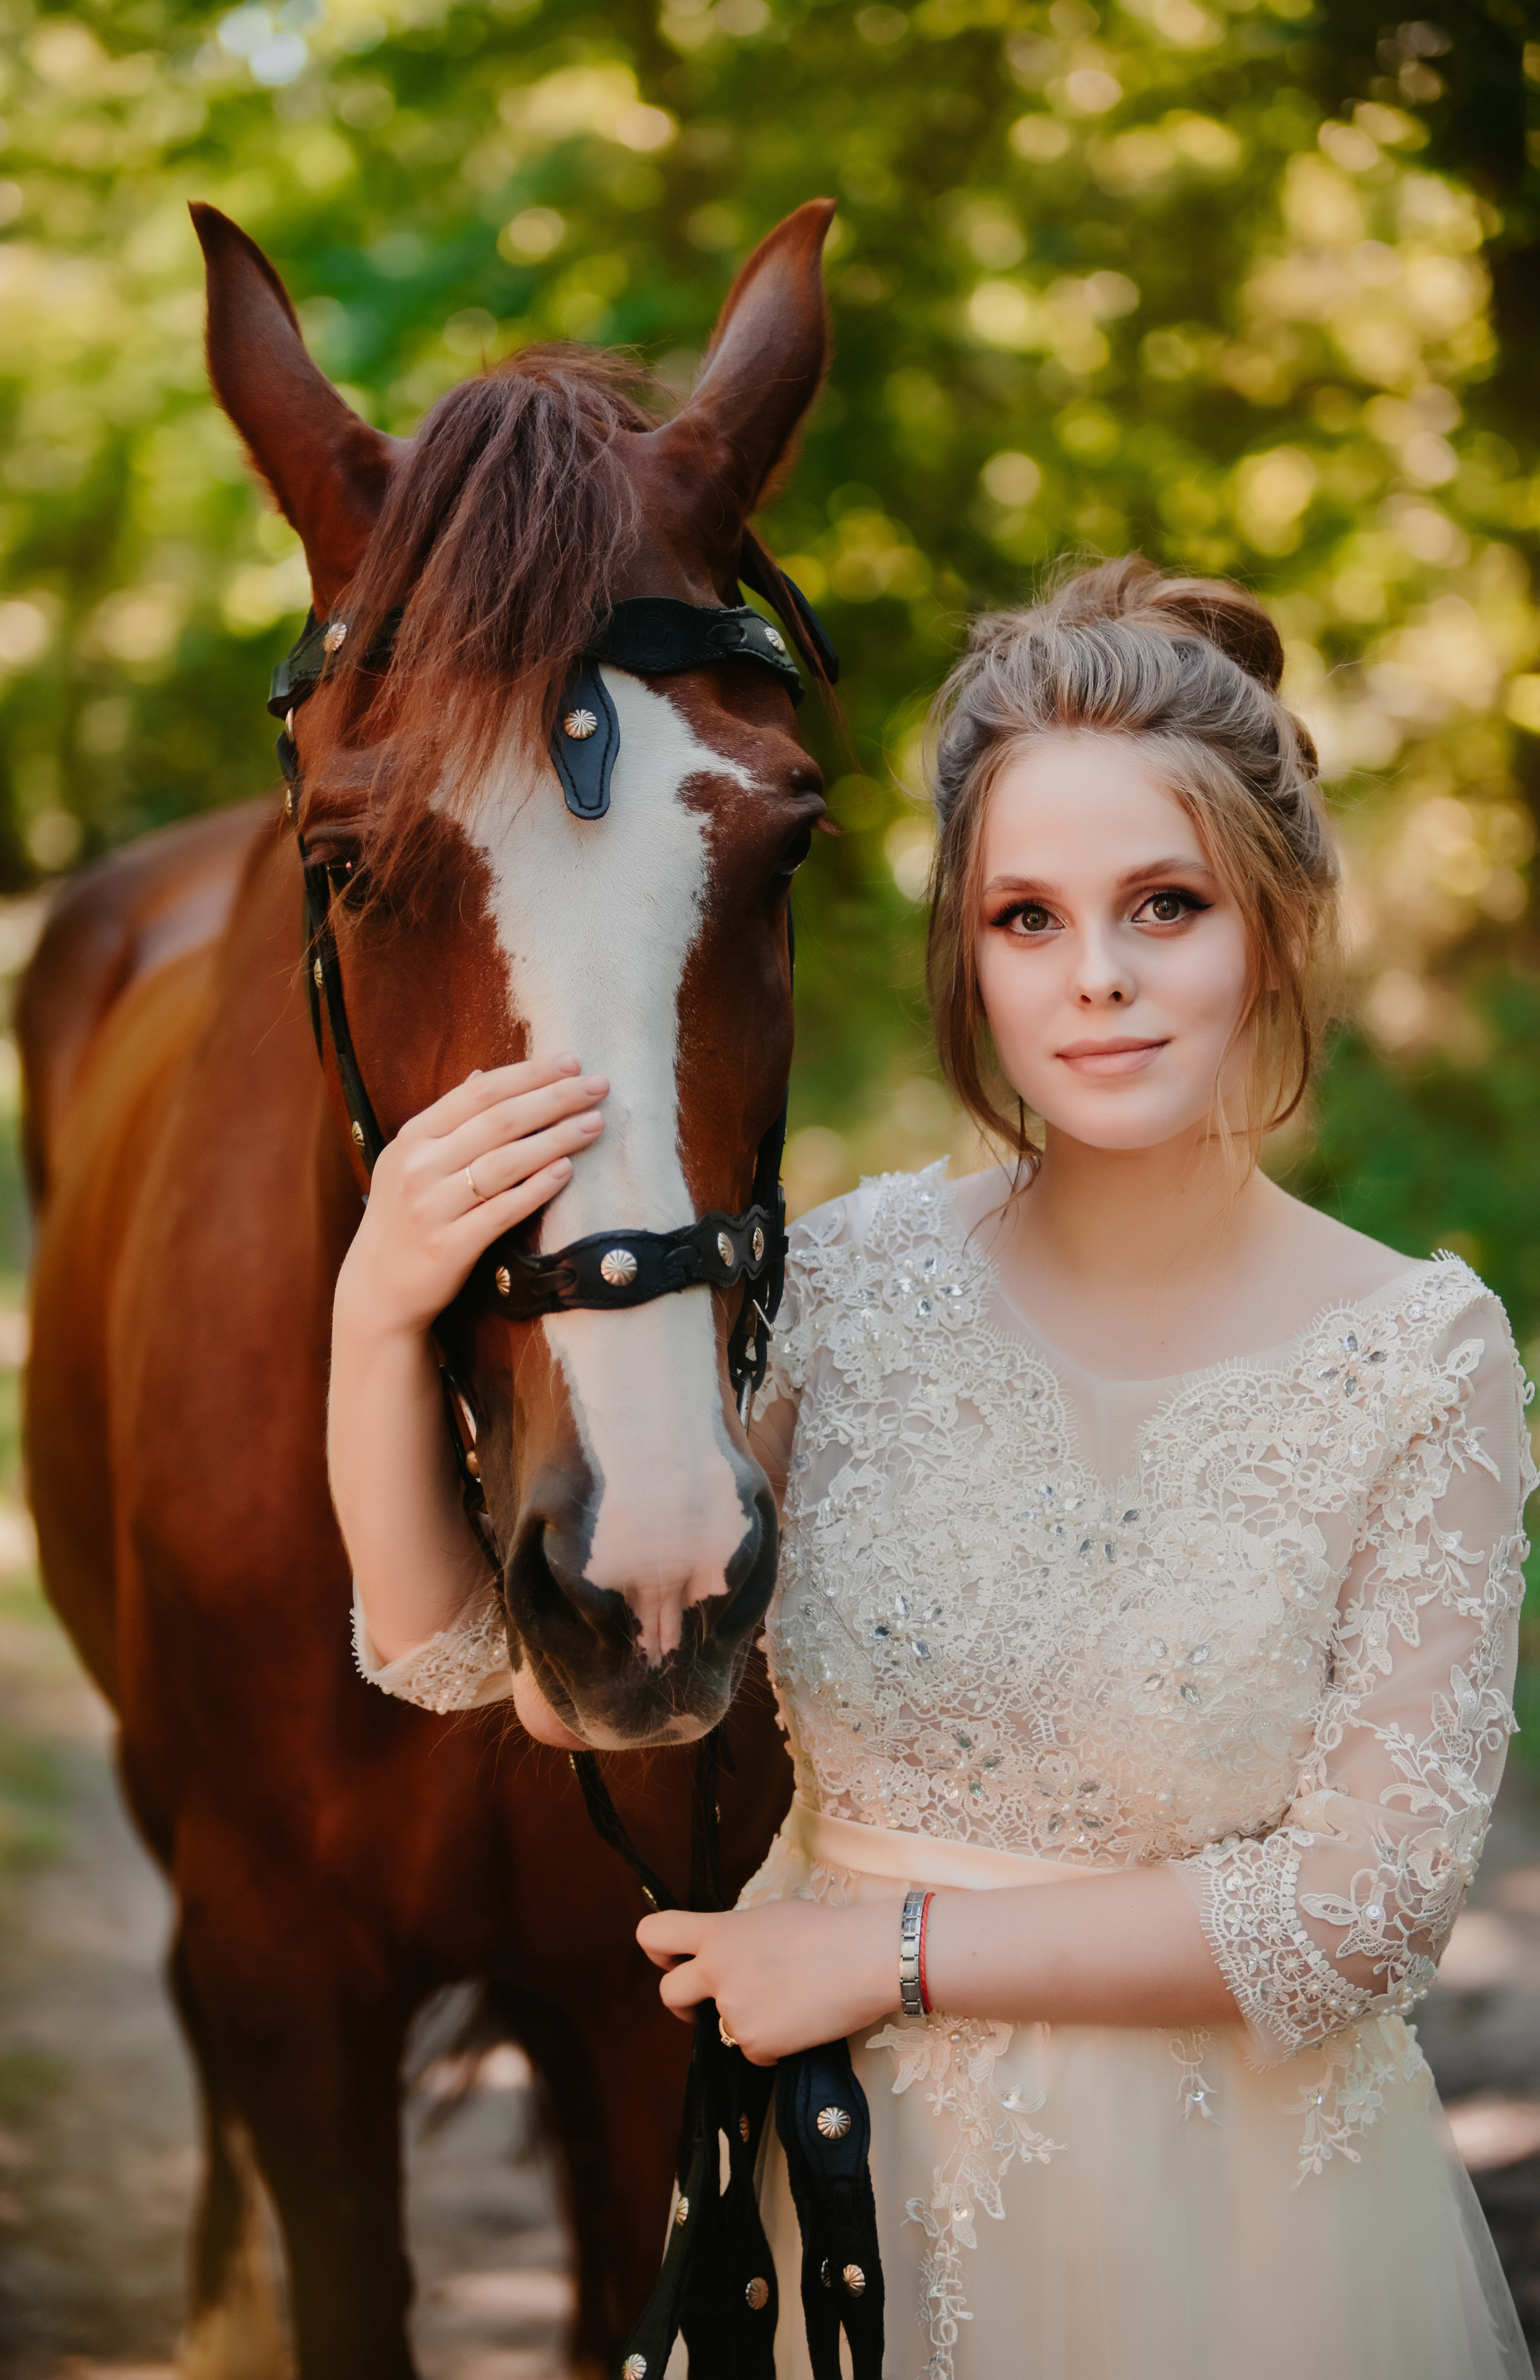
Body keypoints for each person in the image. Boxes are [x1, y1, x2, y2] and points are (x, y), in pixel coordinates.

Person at [330, 557, 1535, 2378]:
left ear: (1275, 921)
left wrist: (891, 1952)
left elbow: (1367, 1907)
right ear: (964, 957)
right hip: (854, 2209)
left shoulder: (1422, 1356)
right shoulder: (863, 1288)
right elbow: (542, 1690)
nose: (1100, 980)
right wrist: (375, 1318)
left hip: (1245, 2245)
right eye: (1027, 920)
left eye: (1165, 905)